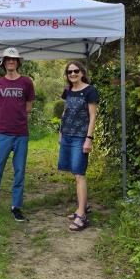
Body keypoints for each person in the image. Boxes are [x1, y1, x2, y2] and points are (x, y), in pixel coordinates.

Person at [0, 47, 35, 222]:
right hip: (2, 134)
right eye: (8, 59)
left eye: (14, 59)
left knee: (19, 172)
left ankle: (16, 207)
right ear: (3, 63)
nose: (11, 62)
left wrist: (17, 119)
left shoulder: (27, 82)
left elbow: (28, 107)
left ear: (18, 62)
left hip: (21, 134)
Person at [58, 60, 98, 231]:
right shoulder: (67, 91)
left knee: (80, 174)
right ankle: (82, 207)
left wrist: (88, 138)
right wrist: (60, 133)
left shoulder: (90, 90)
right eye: (69, 72)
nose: (73, 74)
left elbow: (92, 116)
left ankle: (81, 216)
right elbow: (65, 111)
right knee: (75, 173)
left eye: (76, 71)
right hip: (67, 135)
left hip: (80, 137)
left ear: (82, 72)